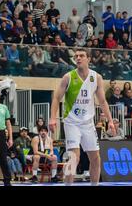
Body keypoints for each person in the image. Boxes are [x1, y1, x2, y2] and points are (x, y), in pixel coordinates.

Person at [50, 48, 115, 185]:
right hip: (72, 122)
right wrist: (53, 118)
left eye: (81, 56)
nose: (78, 58)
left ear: (89, 59)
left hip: (88, 123)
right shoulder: (68, 77)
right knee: (74, 157)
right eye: (76, 56)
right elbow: (56, 98)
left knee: (96, 158)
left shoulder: (96, 77)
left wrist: (110, 121)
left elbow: (102, 101)